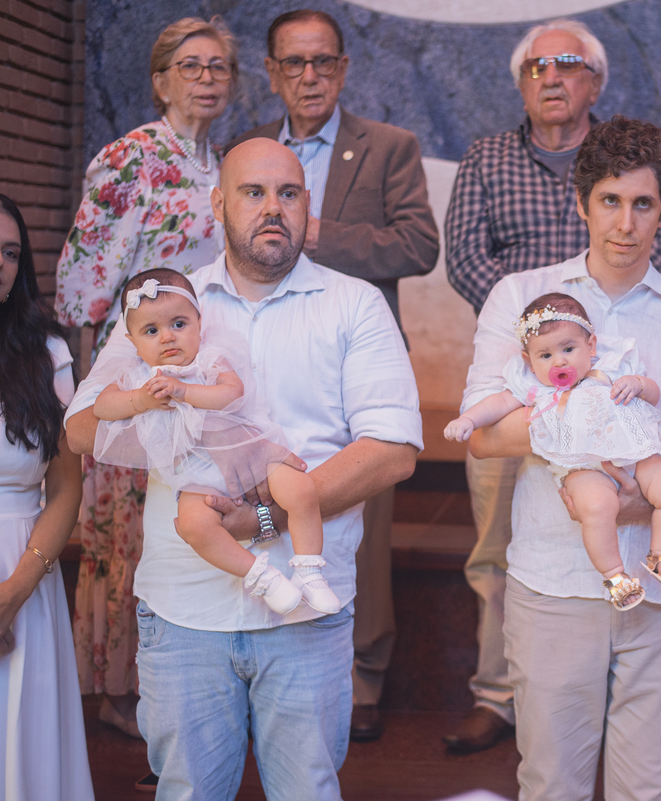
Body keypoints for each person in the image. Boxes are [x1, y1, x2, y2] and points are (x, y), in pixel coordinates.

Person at [64, 138, 423, 799]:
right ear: (218, 203)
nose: (272, 209)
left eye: (287, 194)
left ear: (306, 206)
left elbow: (394, 447)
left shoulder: (353, 304)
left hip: (305, 614)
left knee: (307, 791)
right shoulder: (164, 303)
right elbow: (82, 426)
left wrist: (262, 517)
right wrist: (146, 398)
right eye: (254, 193)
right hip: (184, 607)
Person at [465, 116, 661, 800]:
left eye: (643, 203)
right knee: (551, 784)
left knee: (648, 789)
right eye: (611, 200)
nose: (625, 222)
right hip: (553, 585)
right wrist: (578, 430)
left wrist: (641, 498)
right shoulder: (523, 303)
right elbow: (483, 433)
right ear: (583, 201)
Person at [442, 16, 661, 754]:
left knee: (612, 512)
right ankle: (500, 692)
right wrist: (540, 330)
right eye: (537, 66)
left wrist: (586, 343)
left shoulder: (633, 164)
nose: (552, 76)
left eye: (569, 64)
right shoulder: (486, 158)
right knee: (495, 543)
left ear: (595, 81)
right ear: (521, 82)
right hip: (524, 374)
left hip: (602, 375)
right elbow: (463, 256)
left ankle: (604, 686)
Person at [227, 8, 439, 743]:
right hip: (258, 368)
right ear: (273, 73)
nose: (310, 76)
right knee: (254, 503)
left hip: (350, 360)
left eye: (323, 62)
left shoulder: (387, 147)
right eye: (294, 63)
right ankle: (248, 652)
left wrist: (316, 235)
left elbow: (418, 244)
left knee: (359, 516)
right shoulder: (244, 152)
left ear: (344, 69)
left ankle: (362, 669)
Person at [53, 15, 238, 738]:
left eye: (218, 66)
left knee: (178, 512)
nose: (205, 78)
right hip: (136, 362)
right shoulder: (131, 157)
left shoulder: (221, 161)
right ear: (161, 79)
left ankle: (173, 674)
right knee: (124, 529)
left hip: (195, 370)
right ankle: (118, 687)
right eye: (190, 66)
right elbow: (80, 281)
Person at [91, 269, 337, 615]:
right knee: (193, 526)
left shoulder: (209, 358)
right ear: (132, 341)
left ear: (198, 322)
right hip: (194, 476)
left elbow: (231, 392)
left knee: (301, 489)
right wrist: (142, 400)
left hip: (249, 454)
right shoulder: (135, 376)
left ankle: (310, 571)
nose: (167, 338)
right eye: (151, 331)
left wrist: (185, 391)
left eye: (179, 324)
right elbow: (101, 407)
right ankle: (262, 577)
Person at [446, 292, 661, 609]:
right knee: (597, 507)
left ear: (591, 346)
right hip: (583, 465)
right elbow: (499, 404)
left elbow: (654, 395)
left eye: (569, 349)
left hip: (637, 453)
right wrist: (468, 419)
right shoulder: (535, 387)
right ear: (528, 362)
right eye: (545, 356)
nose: (559, 361)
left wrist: (639, 385)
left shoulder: (612, 366)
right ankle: (616, 577)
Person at [0, 194, 93, 799]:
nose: (0, 264)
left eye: (10, 252)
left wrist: (14, 592)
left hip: (23, 569)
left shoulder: (50, 356)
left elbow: (64, 484)